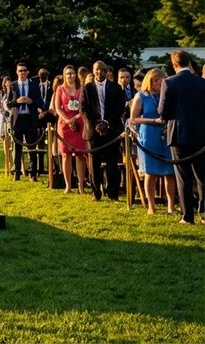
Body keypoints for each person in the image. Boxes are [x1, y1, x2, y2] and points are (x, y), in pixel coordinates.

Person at [158, 50, 205, 226]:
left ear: (174, 64)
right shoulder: (202, 83)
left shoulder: (169, 82)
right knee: (202, 176)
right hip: (201, 134)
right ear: (189, 62)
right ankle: (204, 212)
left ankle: (187, 215)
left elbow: (163, 111)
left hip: (178, 134)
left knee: (183, 176)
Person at [128, 67, 176, 215]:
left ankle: (171, 206)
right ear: (153, 81)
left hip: (166, 135)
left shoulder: (167, 96)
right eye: (161, 82)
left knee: (170, 172)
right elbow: (133, 119)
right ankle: (151, 205)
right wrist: (153, 120)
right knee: (151, 172)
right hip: (149, 136)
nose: (163, 84)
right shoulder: (141, 96)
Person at [82, 60, 126, 201]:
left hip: (111, 130)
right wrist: (96, 124)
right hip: (93, 132)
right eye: (96, 70)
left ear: (106, 71)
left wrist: (106, 122)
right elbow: (84, 109)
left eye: (102, 70)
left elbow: (120, 108)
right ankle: (96, 193)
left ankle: (113, 193)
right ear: (93, 71)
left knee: (112, 163)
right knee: (94, 164)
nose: (99, 72)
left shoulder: (116, 88)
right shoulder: (87, 88)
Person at [53, 65, 88, 194]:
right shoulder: (60, 89)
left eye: (72, 73)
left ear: (76, 75)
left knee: (80, 155)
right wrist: (67, 120)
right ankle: (68, 185)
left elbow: (84, 107)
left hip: (79, 122)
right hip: (64, 124)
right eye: (67, 74)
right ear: (64, 75)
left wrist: (76, 117)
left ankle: (81, 185)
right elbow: (58, 108)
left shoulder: (81, 89)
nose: (70, 76)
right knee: (65, 155)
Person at [7, 62, 42, 182]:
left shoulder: (34, 85)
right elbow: (8, 104)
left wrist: (31, 101)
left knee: (32, 147)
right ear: (17, 72)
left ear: (28, 72)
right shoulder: (12, 85)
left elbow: (41, 103)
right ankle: (16, 173)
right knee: (17, 147)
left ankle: (32, 173)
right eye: (20, 71)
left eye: (24, 70)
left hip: (30, 119)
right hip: (17, 120)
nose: (22, 73)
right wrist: (17, 101)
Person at [0, 76, 11, 174]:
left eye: (9, 82)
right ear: (4, 84)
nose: (8, 84)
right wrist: (3, 112)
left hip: (12, 118)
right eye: (6, 82)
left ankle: (15, 163)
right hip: (3, 119)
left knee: (14, 143)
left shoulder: (14, 92)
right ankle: (7, 163)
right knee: (5, 142)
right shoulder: (0, 94)